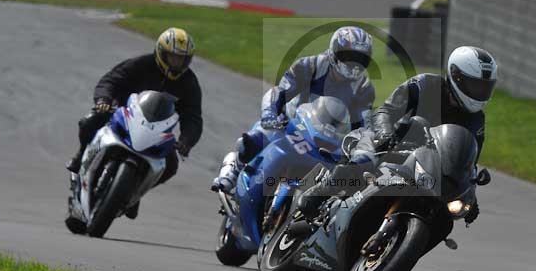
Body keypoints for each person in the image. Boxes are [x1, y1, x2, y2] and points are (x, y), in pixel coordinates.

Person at [297, 46, 498, 224]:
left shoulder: (476, 120)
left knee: (443, 215)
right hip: (391, 141)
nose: (480, 92)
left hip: (424, 164)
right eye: (476, 85)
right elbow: (386, 110)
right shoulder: (425, 84)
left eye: (485, 87)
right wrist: (386, 133)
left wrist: (470, 195)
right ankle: (321, 192)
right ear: (457, 77)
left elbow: (467, 162)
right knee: (363, 159)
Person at [212, 26, 375, 193]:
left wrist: (363, 149)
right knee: (256, 138)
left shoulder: (364, 88)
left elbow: (363, 124)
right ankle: (234, 170)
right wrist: (270, 114)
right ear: (334, 52)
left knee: (346, 181)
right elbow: (279, 91)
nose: (353, 65)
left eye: (359, 60)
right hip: (290, 126)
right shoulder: (309, 66)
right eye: (348, 57)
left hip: (330, 141)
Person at [66, 27, 202, 218]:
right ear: (161, 53)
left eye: (182, 59)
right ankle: (81, 155)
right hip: (122, 116)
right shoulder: (141, 64)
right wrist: (104, 100)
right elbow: (110, 81)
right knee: (90, 121)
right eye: (173, 57)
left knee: (171, 165)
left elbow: (193, 116)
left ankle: (135, 191)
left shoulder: (189, 82)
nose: (177, 63)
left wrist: (187, 140)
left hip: (157, 131)